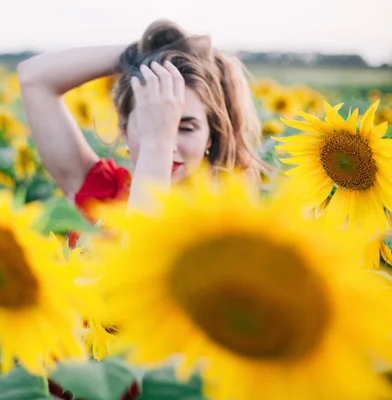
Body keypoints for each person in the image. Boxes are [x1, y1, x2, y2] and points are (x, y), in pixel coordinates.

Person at [17, 18, 267, 399]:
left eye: (184, 127)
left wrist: (154, 139)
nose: (166, 141)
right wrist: (139, 56)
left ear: (210, 138)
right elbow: (34, 78)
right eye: (153, 119)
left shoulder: (224, 232)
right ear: (123, 126)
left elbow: (136, 278)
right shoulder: (103, 190)